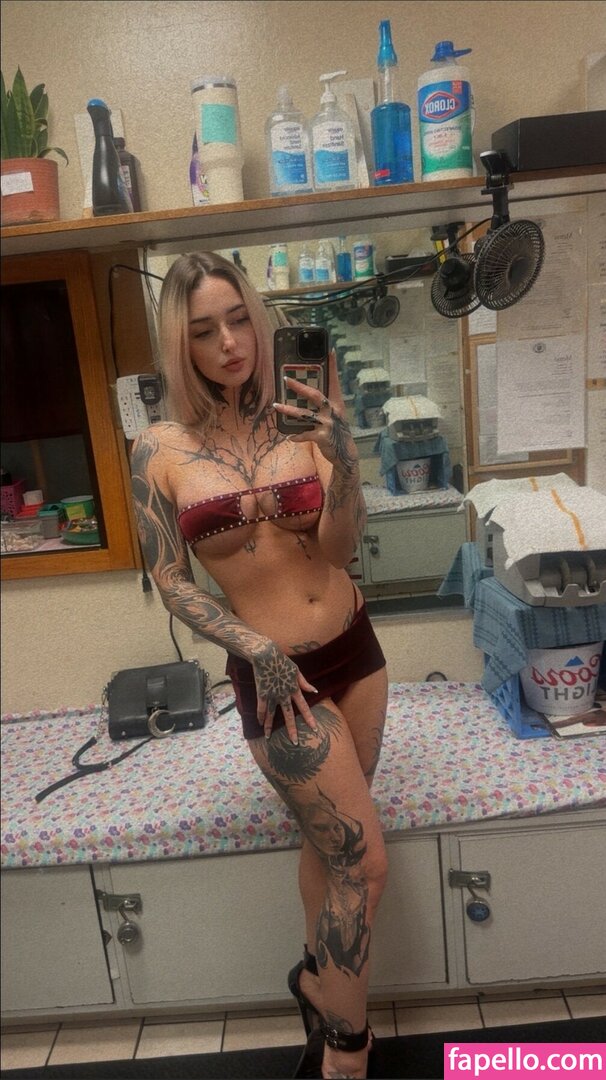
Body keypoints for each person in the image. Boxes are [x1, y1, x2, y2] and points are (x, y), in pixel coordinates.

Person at [130, 251, 388, 1079]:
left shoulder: (302, 416)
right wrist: (254, 646)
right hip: (277, 678)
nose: (231, 344)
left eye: (240, 319)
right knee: (364, 863)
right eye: (205, 331)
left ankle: (317, 982)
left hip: (356, 648)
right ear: (182, 346)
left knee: (330, 848)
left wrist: (344, 456)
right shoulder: (159, 449)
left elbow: (339, 548)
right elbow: (170, 578)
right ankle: (347, 1052)